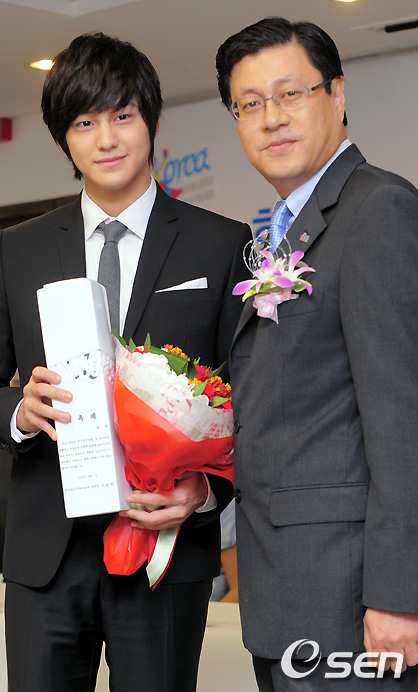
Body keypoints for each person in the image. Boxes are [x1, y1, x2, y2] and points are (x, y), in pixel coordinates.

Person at [0, 33, 251, 692]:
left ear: (152, 120)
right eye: (84, 123)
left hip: (166, 550)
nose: (106, 139)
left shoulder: (220, 243)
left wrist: (205, 491)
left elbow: (252, 398)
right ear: (64, 139)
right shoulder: (20, 249)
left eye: (122, 115)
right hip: (47, 554)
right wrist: (19, 411)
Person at [216, 16, 418, 691]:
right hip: (289, 589)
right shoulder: (288, 230)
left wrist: (399, 595)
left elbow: (403, 419)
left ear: (336, 94)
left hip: (352, 597)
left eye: (290, 94)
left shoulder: (377, 210)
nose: (271, 118)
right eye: (249, 104)